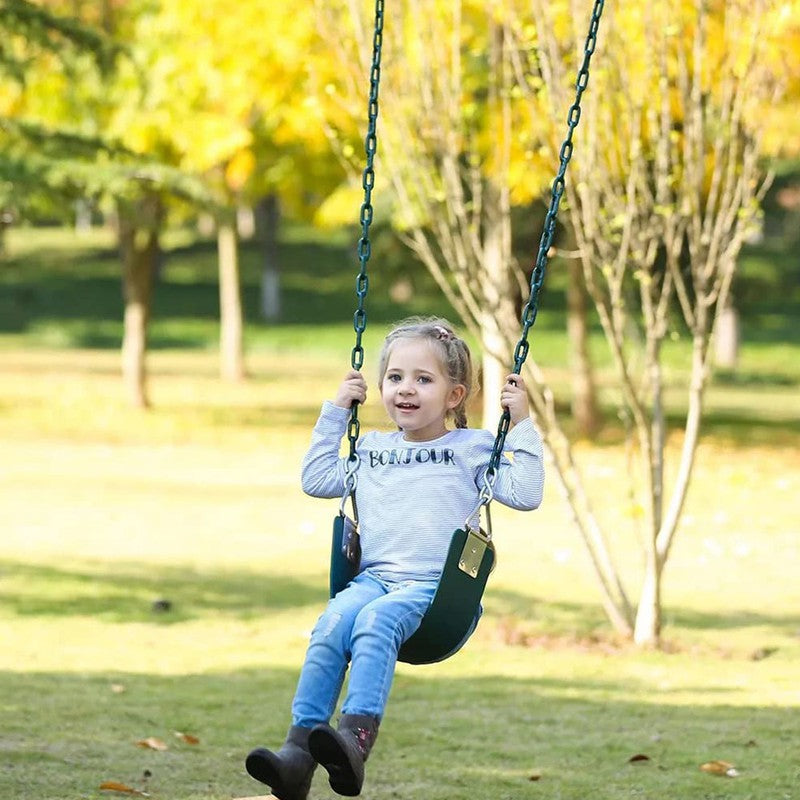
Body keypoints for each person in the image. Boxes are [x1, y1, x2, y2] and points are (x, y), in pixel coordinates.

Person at [245, 317, 545, 799]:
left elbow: (525, 493)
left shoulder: (471, 450)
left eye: (423, 380)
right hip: (375, 579)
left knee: (376, 621)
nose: (406, 389)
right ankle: (297, 754)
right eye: (395, 378)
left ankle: (353, 741)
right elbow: (317, 479)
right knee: (332, 622)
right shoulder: (372, 450)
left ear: (454, 396)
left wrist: (523, 424)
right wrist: (336, 413)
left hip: (435, 591)